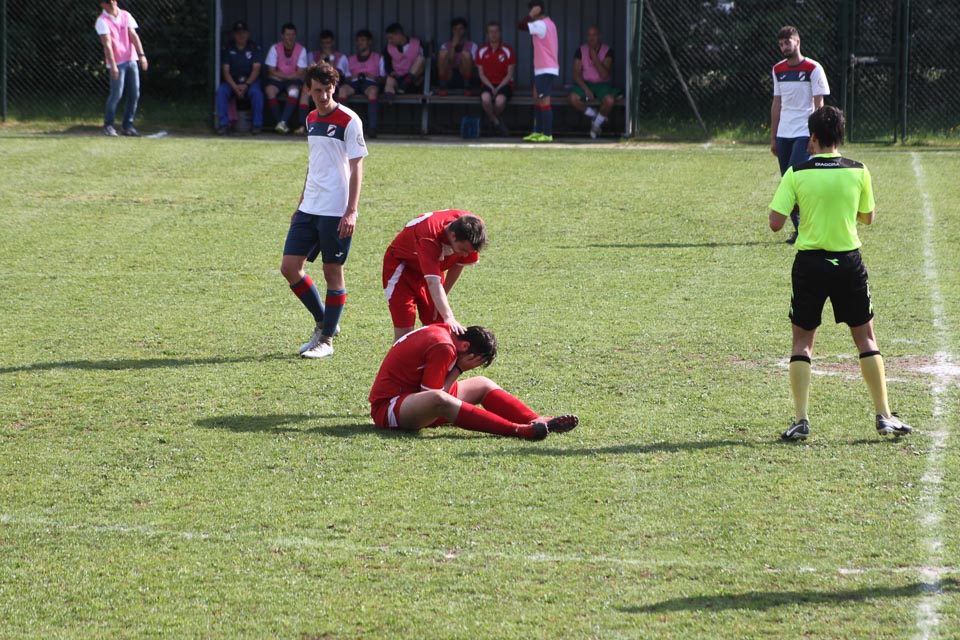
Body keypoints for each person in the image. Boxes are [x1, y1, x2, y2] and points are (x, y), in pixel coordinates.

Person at [769, 106, 913, 441]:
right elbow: (868, 217)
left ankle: (801, 420)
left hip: (809, 265)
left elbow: (775, 223)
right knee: (866, 338)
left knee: (802, 341)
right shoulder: (858, 170)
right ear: (841, 136)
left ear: (813, 137)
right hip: (848, 263)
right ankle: (884, 415)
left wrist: (802, 205)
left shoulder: (797, 172)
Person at [280, 62, 367, 359]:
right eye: (317, 90)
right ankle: (324, 322)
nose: (324, 95)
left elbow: (357, 168)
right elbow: (314, 164)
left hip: (335, 209)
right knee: (289, 267)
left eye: (328, 89)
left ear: (335, 87)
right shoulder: (311, 118)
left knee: (332, 272)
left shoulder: (350, 120)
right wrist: (300, 204)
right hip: (310, 207)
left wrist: (351, 210)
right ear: (308, 89)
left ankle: (326, 340)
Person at [369, 323, 579, 440]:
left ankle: (535, 419)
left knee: (482, 383)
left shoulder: (447, 333)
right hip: (389, 408)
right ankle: (517, 430)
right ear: (465, 346)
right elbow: (432, 396)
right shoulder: (444, 347)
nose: (472, 365)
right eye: (474, 360)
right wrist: (458, 369)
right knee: (439, 399)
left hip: (409, 399)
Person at [383, 210, 486, 342]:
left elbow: (459, 263)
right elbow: (433, 282)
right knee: (405, 332)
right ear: (453, 236)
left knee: (438, 325)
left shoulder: (473, 230)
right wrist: (449, 317)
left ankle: (430, 354)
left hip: (432, 269)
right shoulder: (429, 237)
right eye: (463, 250)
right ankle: (402, 355)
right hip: (403, 269)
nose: (466, 255)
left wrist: (443, 297)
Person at [770, 25, 830, 244]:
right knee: (789, 183)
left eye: (787, 42)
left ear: (797, 41)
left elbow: (819, 105)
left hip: (804, 133)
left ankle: (809, 227)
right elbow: (777, 103)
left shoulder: (813, 68)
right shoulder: (778, 69)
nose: (784, 47)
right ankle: (800, 230)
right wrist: (773, 136)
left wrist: (815, 135)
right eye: (781, 44)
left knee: (795, 179)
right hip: (784, 133)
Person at [95, 0, 147, 137]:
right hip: (117, 63)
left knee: (134, 94)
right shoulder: (102, 21)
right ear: (103, 4)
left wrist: (141, 55)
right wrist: (113, 65)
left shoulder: (126, 15)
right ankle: (108, 126)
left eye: (113, 0)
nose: (112, 3)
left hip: (131, 60)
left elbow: (133, 35)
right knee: (116, 94)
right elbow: (107, 45)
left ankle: (127, 126)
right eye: (108, 1)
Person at [568, 25, 621, 139]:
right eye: (589, 35)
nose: (591, 38)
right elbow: (576, 75)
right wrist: (586, 89)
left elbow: (604, 74)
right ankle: (595, 115)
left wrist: (595, 57)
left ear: (599, 36)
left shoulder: (608, 51)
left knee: (610, 100)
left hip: (602, 84)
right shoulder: (581, 50)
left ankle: (596, 125)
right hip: (586, 83)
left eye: (594, 35)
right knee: (572, 98)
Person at [518, 0, 559, 143]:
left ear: (537, 10)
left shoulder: (541, 25)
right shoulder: (550, 23)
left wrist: (530, 15)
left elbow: (521, 25)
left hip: (545, 68)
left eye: (532, 10)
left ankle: (547, 134)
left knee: (544, 101)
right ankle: (537, 131)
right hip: (542, 68)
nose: (530, 14)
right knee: (537, 99)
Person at [296, 30, 350, 134]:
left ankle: (341, 123)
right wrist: (321, 59)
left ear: (332, 43)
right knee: (305, 90)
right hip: (317, 84)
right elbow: (309, 73)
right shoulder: (312, 55)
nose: (326, 46)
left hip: (333, 85)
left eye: (328, 43)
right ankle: (303, 124)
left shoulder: (341, 57)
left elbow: (337, 76)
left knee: (339, 91)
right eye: (324, 43)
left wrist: (331, 59)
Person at [216, 21, 264, 135]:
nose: (241, 36)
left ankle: (257, 125)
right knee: (221, 92)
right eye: (238, 33)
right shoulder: (228, 48)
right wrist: (235, 87)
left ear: (248, 34)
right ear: (234, 34)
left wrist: (246, 85)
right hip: (232, 82)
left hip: (250, 82)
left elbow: (256, 69)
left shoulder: (254, 47)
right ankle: (223, 125)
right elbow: (225, 71)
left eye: (243, 33)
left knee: (257, 94)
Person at [339, 29, 384, 138]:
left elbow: (383, 78)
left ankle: (372, 128)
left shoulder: (378, 57)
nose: (360, 43)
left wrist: (370, 76)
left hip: (370, 83)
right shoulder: (350, 59)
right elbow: (345, 77)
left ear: (369, 42)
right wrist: (354, 76)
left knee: (373, 92)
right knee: (342, 90)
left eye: (363, 40)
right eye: (358, 41)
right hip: (354, 83)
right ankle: (343, 127)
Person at [264, 23, 308, 134]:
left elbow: (301, 72)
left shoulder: (301, 49)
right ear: (282, 35)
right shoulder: (275, 48)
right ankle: (280, 122)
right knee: (270, 91)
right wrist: (287, 76)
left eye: (293, 34)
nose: (290, 37)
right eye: (288, 34)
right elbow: (271, 70)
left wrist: (284, 76)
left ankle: (282, 122)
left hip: (292, 80)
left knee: (293, 92)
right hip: (278, 80)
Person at [475, 21, 515, 136]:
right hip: (487, 84)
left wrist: (498, 88)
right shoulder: (481, 50)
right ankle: (497, 122)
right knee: (485, 99)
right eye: (491, 32)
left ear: (500, 33)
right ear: (487, 34)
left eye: (496, 31)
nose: (494, 34)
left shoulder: (508, 50)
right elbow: (481, 74)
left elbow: (509, 74)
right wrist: (491, 87)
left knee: (499, 101)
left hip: (504, 84)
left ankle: (491, 122)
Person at [382, 23, 425, 99]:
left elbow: (424, 64)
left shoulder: (417, 43)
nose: (389, 41)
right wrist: (391, 72)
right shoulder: (388, 48)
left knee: (421, 59)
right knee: (389, 80)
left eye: (391, 38)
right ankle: (389, 98)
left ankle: (406, 82)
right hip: (399, 78)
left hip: (414, 79)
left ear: (398, 34)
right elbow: (387, 63)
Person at [437, 17, 477, 96]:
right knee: (442, 53)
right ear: (452, 30)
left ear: (464, 30)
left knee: (466, 54)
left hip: (465, 76)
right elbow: (449, 61)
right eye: (455, 29)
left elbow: (473, 65)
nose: (458, 32)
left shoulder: (473, 45)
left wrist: (460, 63)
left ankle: (467, 87)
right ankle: (442, 86)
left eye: (460, 29)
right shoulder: (445, 45)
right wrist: (453, 46)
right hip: (449, 76)